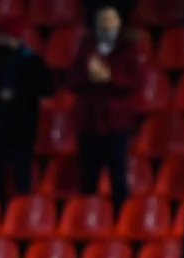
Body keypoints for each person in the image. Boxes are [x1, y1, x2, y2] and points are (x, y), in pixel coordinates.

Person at [67, 6, 144, 213]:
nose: (106, 26)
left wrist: (110, 78)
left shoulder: (128, 49)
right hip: (89, 122)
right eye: (102, 22)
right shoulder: (86, 47)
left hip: (116, 123)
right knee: (88, 177)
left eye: (110, 22)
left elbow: (136, 81)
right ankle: (87, 219)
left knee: (118, 176)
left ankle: (121, 220)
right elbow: (72, 79)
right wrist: (88, 75)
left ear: (118, 25)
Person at [0, 20, 54, 203]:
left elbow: (47, 87)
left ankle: (22, 210)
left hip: (22, 127)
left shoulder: (31, 61)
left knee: (22, 174)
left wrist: (19, 93)